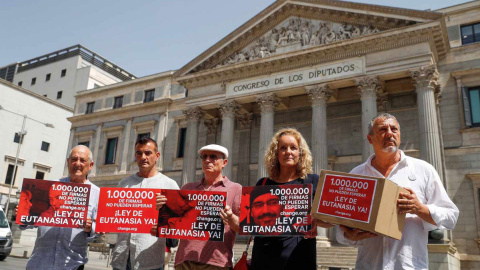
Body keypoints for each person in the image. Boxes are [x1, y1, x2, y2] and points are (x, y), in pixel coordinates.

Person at [336, 113, 459, 270]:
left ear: (399, 136)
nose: (389, 133)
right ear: (370, 139)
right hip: (368, 265)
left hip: (409, 266)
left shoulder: (424, 170)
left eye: (394, 129)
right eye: (382, 129)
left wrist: (420, 208)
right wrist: (348, 236)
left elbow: (451, 217)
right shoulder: (356, 174)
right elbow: (342, 222)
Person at [222, 128, 332, 270]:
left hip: (299, 260)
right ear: (276, 153)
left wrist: (315, 220)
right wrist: (231, 218)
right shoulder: (263, 183)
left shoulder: (312, 181)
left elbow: (331, 219)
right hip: (263, 260)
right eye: (283, 148)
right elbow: (248, 227)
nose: (288, 152)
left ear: (301, 153)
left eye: (293, 148)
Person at [153, 144, 242, 270]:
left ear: (224, 162)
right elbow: (173, 225)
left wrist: (231, 218)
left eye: (213, 157)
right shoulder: (188, 188)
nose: (207, 160)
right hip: (184, 261)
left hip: (217, 263)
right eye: (204, 157)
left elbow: (242, 228)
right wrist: (162, 209)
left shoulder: (235, 188)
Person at [18, 145, 100, 270]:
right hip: (39, 263)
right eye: (74, 159)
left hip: (71, 265)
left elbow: (99, 229)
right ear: (68, 162)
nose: (77, 163)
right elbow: (27, 222)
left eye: (82, 160)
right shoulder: (50, 186)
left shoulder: (97, 194)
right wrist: (22, 214)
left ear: (90, 165)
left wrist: (90, 228)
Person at [111, 137, 179, 270]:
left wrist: (163, 220)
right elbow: (112, 217)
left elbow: (178, 225)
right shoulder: (123, 184)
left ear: (157, 155)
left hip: (150, 262)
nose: (143, 157)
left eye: (148, 153)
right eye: (139, 153)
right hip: (121, 260)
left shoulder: (170, 185)